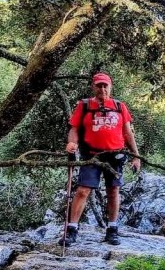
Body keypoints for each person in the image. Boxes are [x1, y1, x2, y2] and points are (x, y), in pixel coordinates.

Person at [59, 72, 141, 246]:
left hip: (116, 155)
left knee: (113, 191)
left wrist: (136, 156)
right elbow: (74, 128)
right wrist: (72, 143)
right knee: (83, 190)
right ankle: (71, 229)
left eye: (105, 85)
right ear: (93, 87)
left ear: (110, 87)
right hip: (92, 155)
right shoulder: (84, 105)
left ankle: (112, 229)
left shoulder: (119, 106)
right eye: (99, 85)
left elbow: (127, 133)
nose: (102, 89)